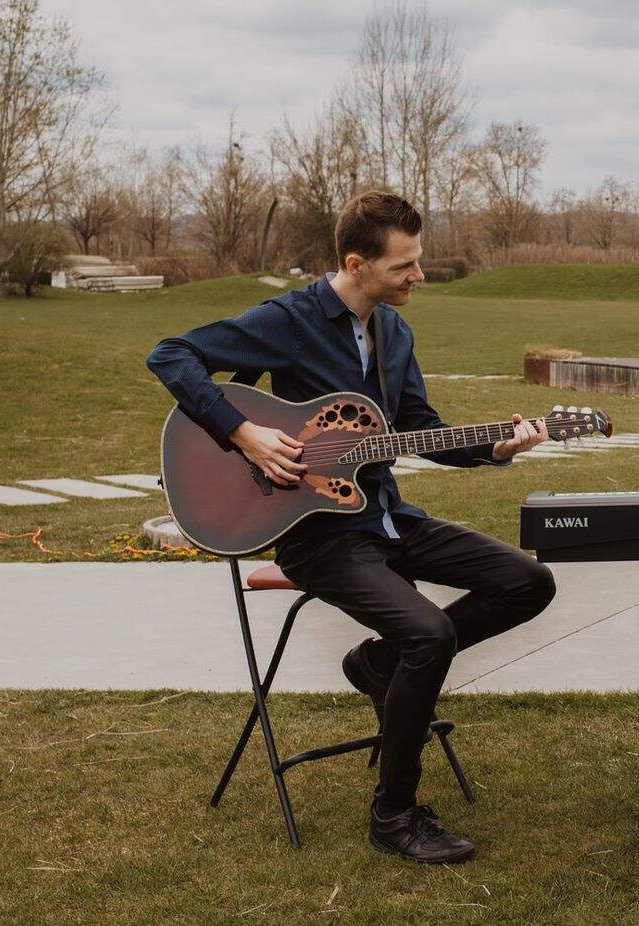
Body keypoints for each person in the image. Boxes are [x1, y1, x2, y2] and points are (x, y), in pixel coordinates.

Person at [147, 190, 556, 864]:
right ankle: (394, 815)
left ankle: (379, 665)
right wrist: (244, 433)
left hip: (386, 516)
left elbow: (418, 429)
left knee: (527, 581)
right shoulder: (289, 320)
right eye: (404, 266)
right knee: (429, 633)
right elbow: (170, 355)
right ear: (356, 263)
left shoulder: (395, 332)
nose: (418, 275)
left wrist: (496, 447)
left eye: (417, 261)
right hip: (317, 535)